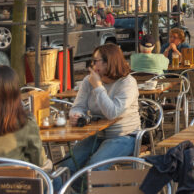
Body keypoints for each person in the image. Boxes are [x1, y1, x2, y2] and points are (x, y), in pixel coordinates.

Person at [59, 43, 140, 176]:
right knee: (65, 168)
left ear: (109, 62)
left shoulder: (127, 82)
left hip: (124, 136)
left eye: (96, 61)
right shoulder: (88, 80)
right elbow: (78, 106)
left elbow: (112, 113)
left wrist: (98, 86)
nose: (92, 65)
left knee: (93, 170)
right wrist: (76, 115)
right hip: (96, 135)